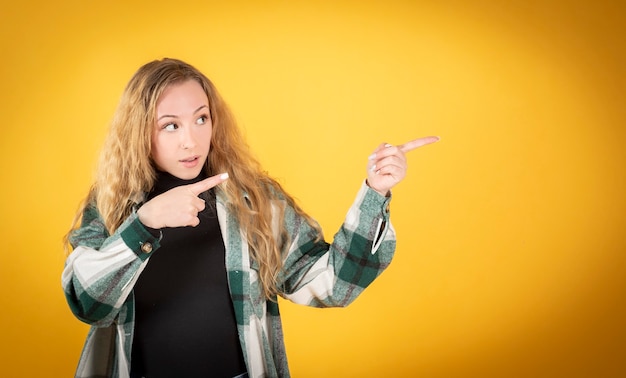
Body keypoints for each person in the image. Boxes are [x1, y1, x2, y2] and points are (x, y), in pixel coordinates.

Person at [62, 57, 439, 378]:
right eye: (170, 125)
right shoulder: (111, 205)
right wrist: (143, 224)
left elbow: (334, 284)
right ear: (139, 131)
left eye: (201, 118)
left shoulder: (252, 200)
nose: (191, 140)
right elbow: (87, 303)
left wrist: (375, 191)